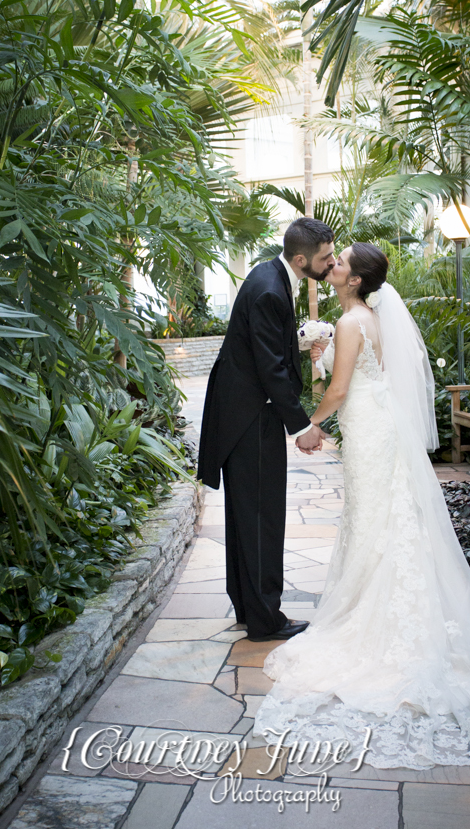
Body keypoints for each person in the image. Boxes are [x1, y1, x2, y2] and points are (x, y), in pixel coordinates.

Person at [253, 242, 470, 768]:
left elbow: (339, 388)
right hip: (376, 424)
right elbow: (341, 374)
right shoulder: (364, 316)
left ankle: (375, 620)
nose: (334, 265)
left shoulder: (352, 323)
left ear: (353, 280)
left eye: (342, 262)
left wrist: (311, 425)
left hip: (368, 426)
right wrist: (318, 355)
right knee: (377, 517)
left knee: (375, 517)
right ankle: (376, 599)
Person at [197, 218, 334, 642]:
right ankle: (265, 619)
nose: (330, 263)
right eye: (325, 257)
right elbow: (269, 368)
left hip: (242, 412)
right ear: (300, 259)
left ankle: (247, 603)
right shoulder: (272, 289)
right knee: (262, 518)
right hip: (250, 416)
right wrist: (302, 426)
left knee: (247, 516)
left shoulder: (269, 275)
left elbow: (267, 346)